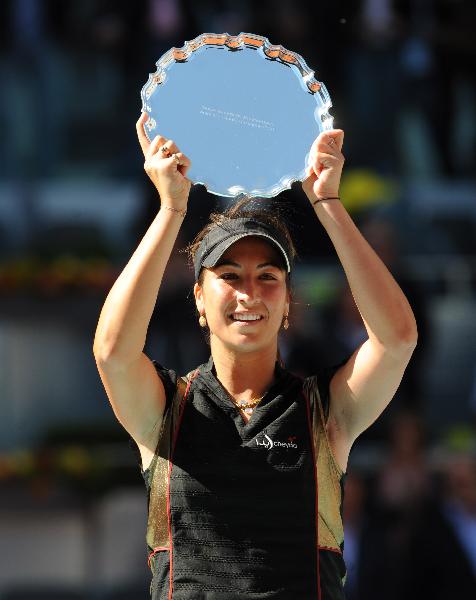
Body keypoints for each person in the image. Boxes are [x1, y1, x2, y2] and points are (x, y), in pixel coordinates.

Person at [93, 112, 418, 599]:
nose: (249, 292)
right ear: (199, 299)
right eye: (229, 276)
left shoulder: (323, 410)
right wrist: (170, 211)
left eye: (268, 277)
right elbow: (113, 351)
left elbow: (396, 339)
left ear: (287, 303)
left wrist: (327, 201)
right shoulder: (168, 408)